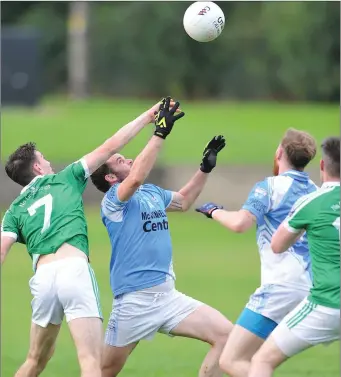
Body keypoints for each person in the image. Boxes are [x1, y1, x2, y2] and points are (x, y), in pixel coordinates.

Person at [0, 98, 173, 377]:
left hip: (43, 280)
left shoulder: (13, 211)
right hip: (73, 270)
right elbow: (111, 145)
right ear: (37, 169)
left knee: (35, 361)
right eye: (44, 159)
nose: (49, 163)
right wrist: (149, 116)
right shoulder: (65, 178)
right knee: (90, 362)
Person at [90, 96, 232, 377]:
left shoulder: (152, 192)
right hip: (133, 302)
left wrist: (204, 168)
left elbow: (183, 201)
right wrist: (159, 133)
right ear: (109, 178)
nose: (127, 158)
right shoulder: (113, 202)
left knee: (228, 336)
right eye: (120, 159)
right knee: (103, 372)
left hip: (168, 297)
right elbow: (135, 179)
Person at [195, 128, 318, 377]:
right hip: (309, 289)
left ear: (279, 152)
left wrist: (214, 211)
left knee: (230, 360)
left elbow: (240, 223)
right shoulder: (315, 191)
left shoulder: (270, 187)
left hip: (280, 289)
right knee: (253, 360)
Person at [248, 136, 340, 377]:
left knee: (261, 361)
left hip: (328, 303)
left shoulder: (311, 202)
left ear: (322, 166)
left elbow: (277, 245)